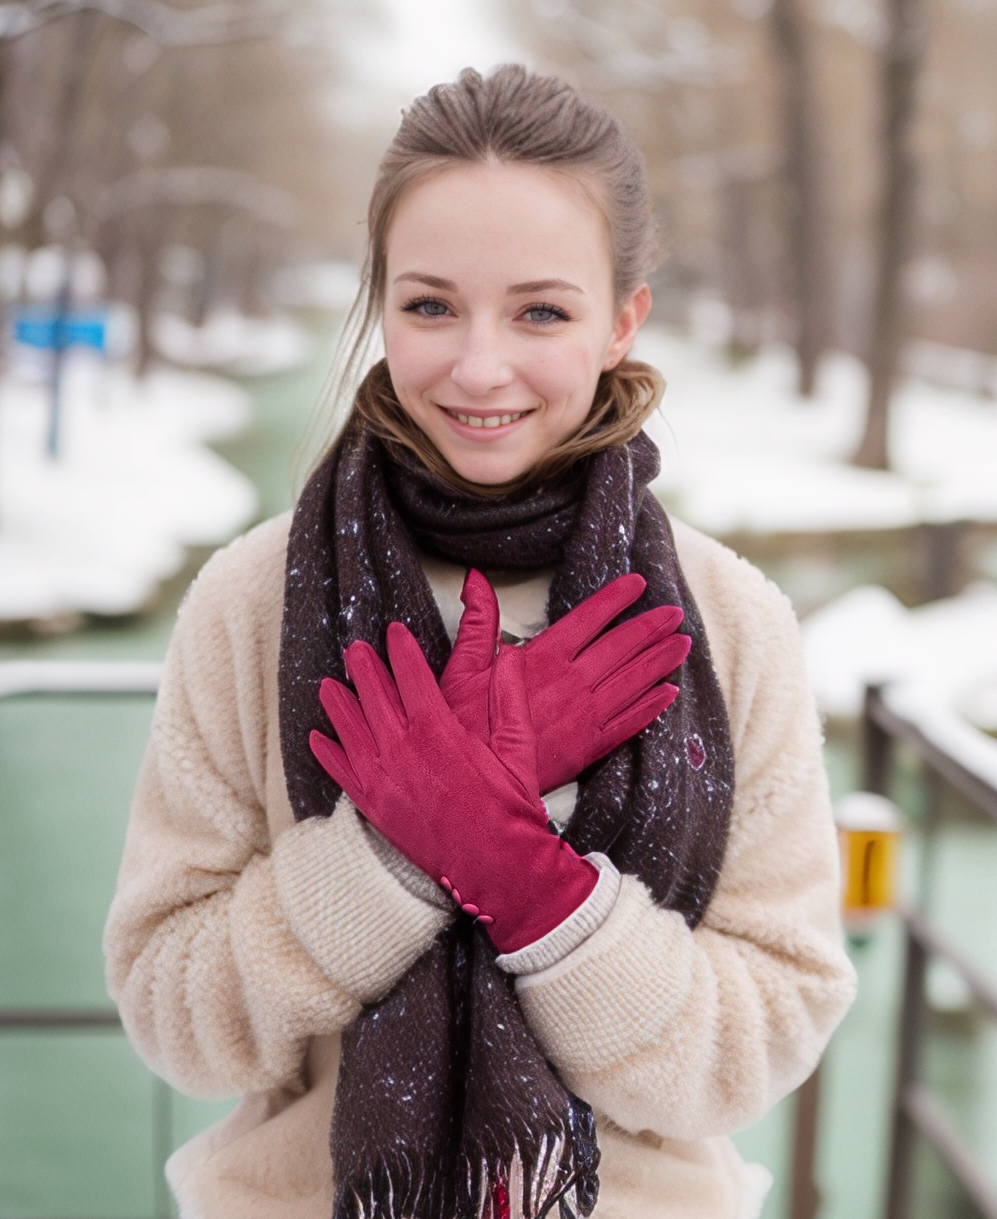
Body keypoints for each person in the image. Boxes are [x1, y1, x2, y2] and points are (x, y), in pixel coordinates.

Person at [104, 64, 856, 1219]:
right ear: (381, 303)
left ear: (622, 321)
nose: (478, 366)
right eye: (430, 305)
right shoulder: (252, 602)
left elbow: (768, 1030)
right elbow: (171, 1012)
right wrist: (396, 851)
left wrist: (526, 880)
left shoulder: (727, 621)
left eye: (540, 311)